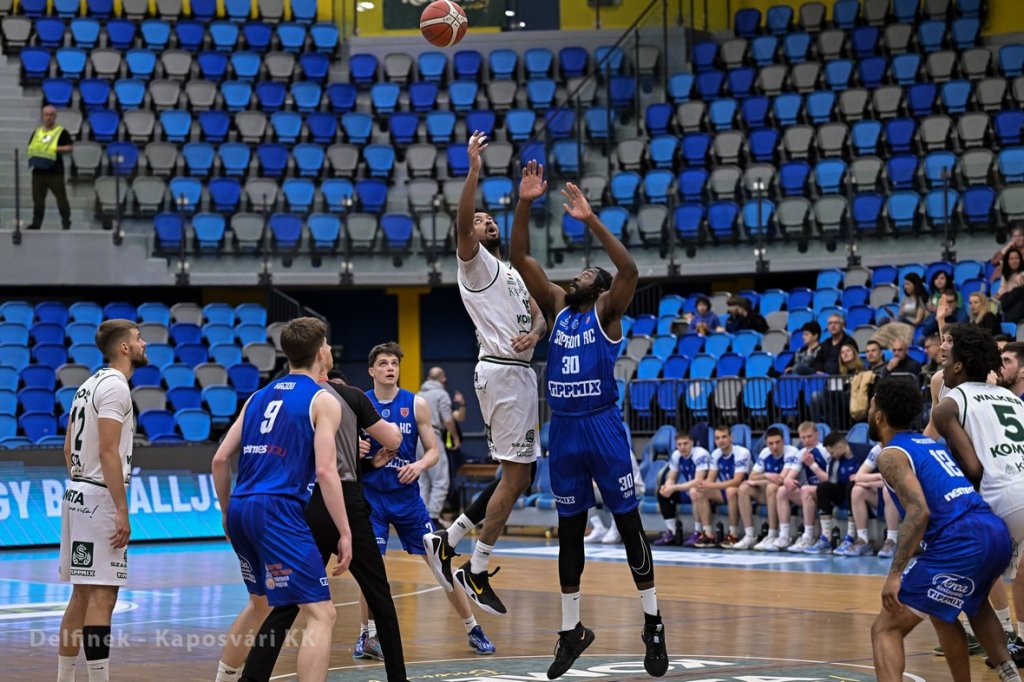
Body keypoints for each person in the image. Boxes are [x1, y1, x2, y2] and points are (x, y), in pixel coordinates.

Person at [509, 161, 668, 679]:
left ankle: (653, 622)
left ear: (598, 289)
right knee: (570, 532)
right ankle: (570, 630)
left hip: (601, 426)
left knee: (628, 524)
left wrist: (592, 220)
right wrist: (525, 203)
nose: (575, 277)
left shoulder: (606, 313)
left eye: (585, 275)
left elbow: (630, 272)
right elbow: (520, 258)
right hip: (565, 429)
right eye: (576, 274)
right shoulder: (558, 307)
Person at [422, 131, 545, 618]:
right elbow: (461, 223)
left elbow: (540, 314)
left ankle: (448, 541)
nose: (486, 220)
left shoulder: (511, 271)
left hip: (519, 372)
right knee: (515, 477)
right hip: (502, 373)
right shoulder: (474, 265)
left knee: (521, 475)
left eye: (490, 217)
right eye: (480, 218)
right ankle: (473, 569)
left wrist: (535, 333)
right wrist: (474, 171)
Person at [238, 371, 408, 682]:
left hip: (306, 503)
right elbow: (392, 440)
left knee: (287, 605)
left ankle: (251, 677)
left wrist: (366, 462)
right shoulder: (351, 396)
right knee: (379, 596)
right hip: (344, 502)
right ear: (321, 357)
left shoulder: (290, 399)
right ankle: (398, 678)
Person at [211, 317, 352, 682]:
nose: (329, 349)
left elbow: (220, 460)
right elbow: (326, 471)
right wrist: (344, 531)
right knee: (321, 613)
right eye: (326, 344)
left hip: (242, 505)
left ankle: (224, 678)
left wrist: (226, 511)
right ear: (320, 353)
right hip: (277, 510)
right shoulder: (323, 399)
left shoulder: (257, 397)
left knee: (260, 604)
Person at [867, 378, 1019, 682]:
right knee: (965, 606)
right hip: (993, 531)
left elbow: (919, 511)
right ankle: (1011, 676)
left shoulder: (890, 455)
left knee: (885, 628)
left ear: (879, 415)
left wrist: (895, 574)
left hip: (960, 540)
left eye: (871, 407)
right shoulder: (926, 443)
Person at [361, 343, 496, 657]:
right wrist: (363, 455)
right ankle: (366, 635)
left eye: (394, 363)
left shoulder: (416, 404)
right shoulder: (360, 404)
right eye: (383, 363)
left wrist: (420, 465)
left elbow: (434, 450)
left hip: (408, 500)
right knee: (371, 569)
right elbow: (350, 450)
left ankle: (473, 628)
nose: (390, 368)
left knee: (440, 565)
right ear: (371, 371)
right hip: (372, 499)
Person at [56, 320, 147, 682]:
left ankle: (65, 678)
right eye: (138, 339)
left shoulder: (87, 384)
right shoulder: (115, 387)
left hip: (78, 491)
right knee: (103, 596)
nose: (143, 344)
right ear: (124, 347)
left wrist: (82, 482)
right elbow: (109, 451)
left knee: (80, 595)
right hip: (99, 496)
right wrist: (120, 509)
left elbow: (67, 447)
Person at [930, 325, 1024, 666]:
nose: (942, 365)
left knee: (952, 581)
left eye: (947, 359)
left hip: (1002, 497)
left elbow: (972, 469)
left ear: (958, 366)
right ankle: (1014, 642)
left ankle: (990, 641)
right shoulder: (1011, 397)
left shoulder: (947, 406)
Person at [727, 426, 800, 550]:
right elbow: (752, 476)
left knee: (772, 487)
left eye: (778, 442)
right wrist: (766, 475)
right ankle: (750, 535)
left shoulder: (791, 451)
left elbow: (780, 479)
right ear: (766, 443)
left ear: (783, 441)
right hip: (771, 493)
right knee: (744, 488)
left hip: (790, 494)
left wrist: (758, 481)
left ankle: (772, 535)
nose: (774, 446)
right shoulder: (765, 452)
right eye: (771, 443)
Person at [837, 443, 901, 558]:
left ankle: (892, 540)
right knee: (857, 490)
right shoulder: (877, 449)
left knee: (888, 490)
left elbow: (900, 481)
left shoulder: (903, 447)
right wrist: (878, 476)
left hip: (906, 499)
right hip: (884, 496)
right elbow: (859, 476)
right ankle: (863, 540)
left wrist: (871, 483)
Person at [693, 426, 753, 548]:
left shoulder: (742, 452)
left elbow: (737, 481)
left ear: (731, 438)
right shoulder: (716, 454)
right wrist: (703, 485)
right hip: (726, 491)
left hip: (746, 492)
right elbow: (710, 478)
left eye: (724, 437)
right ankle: (708, 534)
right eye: (717, 438)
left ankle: (733, 534)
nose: (721, 440)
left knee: (731, 490)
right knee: (700, 492)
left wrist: (711, 484)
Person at [773, 422, 828, 552]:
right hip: (809, 493)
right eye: (803, 438)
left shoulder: (825, 450)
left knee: (805, 489)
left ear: (817, 434)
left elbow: (830, 479)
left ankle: (808, 537)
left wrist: (812, 465)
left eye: (809, 436)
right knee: (782, 490)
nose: (806, 440)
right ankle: (784, 536)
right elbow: (789, 476)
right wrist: (788, 481)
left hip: (827, 492)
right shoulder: (801, 453)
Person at [804, 433, 862, 554]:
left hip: (862, 492)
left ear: (840, 446)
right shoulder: (835, 461)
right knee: (823, 487)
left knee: (852, 486)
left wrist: (859, 477)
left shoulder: (862, 452)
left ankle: (850, 537)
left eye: (832, 452)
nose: (831, 455)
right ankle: (826, 537)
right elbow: (832, 481)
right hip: (843, 493)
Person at [418, 366, 459, 528]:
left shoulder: (418, 394)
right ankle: (434, 517)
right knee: (441, 479)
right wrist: (455, 437)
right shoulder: (441, 394)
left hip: (417, 438)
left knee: (423, 479)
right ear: (443, 379)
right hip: (433, 434)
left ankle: (422, 517)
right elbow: (448, 419)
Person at [652, 433, 710, 546]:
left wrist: (673, 487)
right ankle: (672, 532)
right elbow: (671, 477)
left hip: (705, 492)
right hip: (689, 490)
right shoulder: (676, 455)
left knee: (694, 491)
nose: (682, 447)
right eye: (679, 444)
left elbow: (698, 481)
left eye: (685, 443)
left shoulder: (700, 454)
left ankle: (698, 532)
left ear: (692, 443)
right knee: (662, 492)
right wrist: (667, 487)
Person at [27, 105, 73, 231]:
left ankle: (66, 222)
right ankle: (36, 224)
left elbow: (70, 147)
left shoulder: (61, 132)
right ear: (43, 116)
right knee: (38, 200)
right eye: (46, 114)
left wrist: (54, 148)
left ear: (55, 116)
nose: (48, 117)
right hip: (38, 172)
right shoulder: (37, 132)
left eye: (51, 114)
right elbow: (31, 147)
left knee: (61, 199)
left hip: (55, 172)